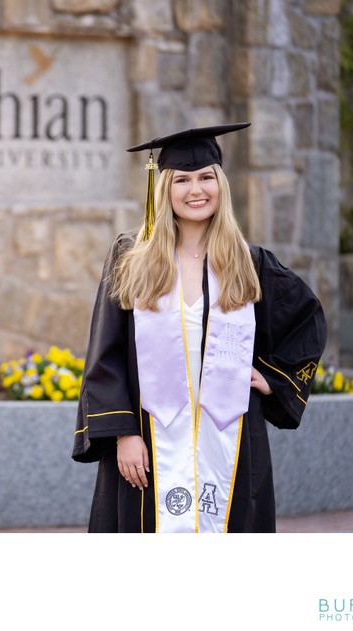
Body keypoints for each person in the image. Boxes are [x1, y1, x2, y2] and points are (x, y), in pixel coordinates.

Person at [71, 123, 327, 533]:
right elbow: (107, 352)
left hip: (228, 438)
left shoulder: (249, 261)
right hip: (150, 436)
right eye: (183, 180)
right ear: (164, 187)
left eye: (206, 177)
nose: (196, 190)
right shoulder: (131, 257)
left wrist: (273, 380)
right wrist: (123, 434)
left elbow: (308, 319)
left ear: (220, 185)